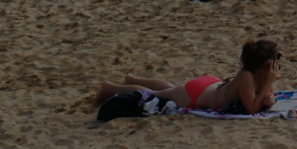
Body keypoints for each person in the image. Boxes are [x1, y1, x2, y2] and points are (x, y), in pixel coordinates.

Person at [94, 39, 283, 115]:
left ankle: (133, 79)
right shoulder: (246, 76)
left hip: (209, 86)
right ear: (267, 62)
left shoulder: (258, 76)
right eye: (275, 59)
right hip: (199, 93)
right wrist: (270, 81)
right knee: (156, 95)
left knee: (170, 88)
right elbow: (252, 109)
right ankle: (110, 88)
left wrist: (269, 94)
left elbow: (264, 97)